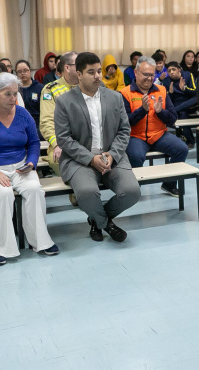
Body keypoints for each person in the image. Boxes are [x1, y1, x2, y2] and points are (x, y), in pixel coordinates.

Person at [0, 73, 58, 265]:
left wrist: (32, 163)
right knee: (3, 194)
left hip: (20, 167)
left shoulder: (23, 114)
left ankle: (41, 242)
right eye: (7, 94)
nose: (13, 98)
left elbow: (34, 142)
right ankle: (1, 248)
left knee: (34, 190)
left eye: (15, 94)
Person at [54, 52, 140, 243]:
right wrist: (90, 158)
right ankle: (106, 224)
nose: (98, 76)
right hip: (80, 160)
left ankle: (96, 220)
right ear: (79, 74)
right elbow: (64, 139)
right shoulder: (64, 102)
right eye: (91, 72)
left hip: (112, 157)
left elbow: (124, 130)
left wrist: (112, 155)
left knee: (132, 191)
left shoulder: (115, 98)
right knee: (86, 193)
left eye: (99, 71)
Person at [121, 57, 190, 197]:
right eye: (145, 74)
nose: (149, 78)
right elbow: (124, 123)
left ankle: (169, 184)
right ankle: (134, 188)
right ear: (136, 72)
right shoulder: (125, 93)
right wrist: (142, 110)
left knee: (182, 149)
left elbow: (172, 119)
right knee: (135, 155)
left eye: (152, 75)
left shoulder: (162, 90)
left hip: (159, 135)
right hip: (136, 136)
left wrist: (160, 112)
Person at [39, 51, 79, 181]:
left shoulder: (88, 86)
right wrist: (56, 144)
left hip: (86, 140)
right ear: (67, 67)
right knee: (60, 158)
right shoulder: (50, 89)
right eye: (79, 64)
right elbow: (47, 122)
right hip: (62, 141)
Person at [162, 61, 198, 147]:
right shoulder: (166, 81)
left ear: (179, 70)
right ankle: (190, 141)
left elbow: (195, 92)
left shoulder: (188, 75)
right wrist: (170, 93)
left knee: (197, 99)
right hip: (176, 103)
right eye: (169, 70)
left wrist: (185, 89)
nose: (171, 72)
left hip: (189, 102)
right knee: (182, 113)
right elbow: (166, 99)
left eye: (173, 69)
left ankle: (175, 111)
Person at [16, 60, 43, 130]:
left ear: (30, 71)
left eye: (25, 70)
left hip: (38, 124)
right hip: (19, 124)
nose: (22, 73)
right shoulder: (14, 90)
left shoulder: (40, 88)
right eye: (19, 71)